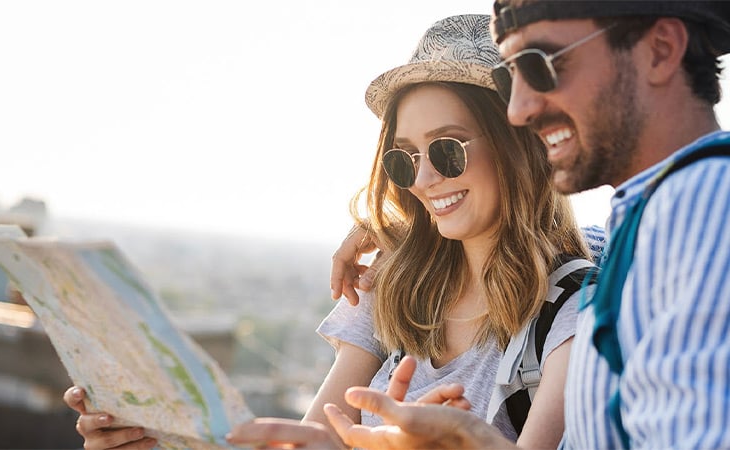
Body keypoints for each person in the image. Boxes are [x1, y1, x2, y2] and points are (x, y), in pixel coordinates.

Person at [65, 14, 595, 450]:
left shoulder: (573, 308)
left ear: (519, 146)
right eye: (404, 160)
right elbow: (312, 441)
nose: (426, 179)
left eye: (447, 148)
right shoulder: (392, 287)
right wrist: (156, 438)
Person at [325, 1, 730, 449]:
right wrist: (402, 230)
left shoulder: (705, 207)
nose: (519, 110)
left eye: (540, 66)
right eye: (508, 79)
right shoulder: (647, 228)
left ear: (660, 49)